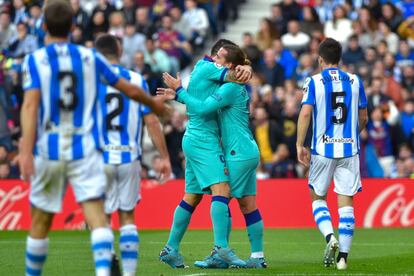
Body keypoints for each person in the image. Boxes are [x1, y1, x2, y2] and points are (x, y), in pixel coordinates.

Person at [16, 1, 166, 275]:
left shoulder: (34, 60)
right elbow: (128, 89)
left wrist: (25, 152)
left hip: (50, 148)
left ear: (44, 26)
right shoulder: (90, 58)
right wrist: (154, 104)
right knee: (98, 218)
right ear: (74, 27)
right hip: (85, 149)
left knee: (40, 223)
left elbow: (29, 105)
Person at [159, 43, 267, 269]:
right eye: (215, 55)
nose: (213, 58)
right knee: (235, 201)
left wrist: (180, 94)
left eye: (219, 57)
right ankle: (251, 255)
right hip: (216, 144)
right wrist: (180, 94)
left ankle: (216, 251)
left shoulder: (227, 84)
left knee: (216, 195)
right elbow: (203, 104)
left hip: (215, 144)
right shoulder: (214, 71)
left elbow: (202, 106)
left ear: (230, 64)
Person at [94, 34, 172, 276]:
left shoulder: (90, 78)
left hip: (100, 158)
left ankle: (106, 268)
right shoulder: (136, 79)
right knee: (127, 216)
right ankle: (128, 274)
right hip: (128, 156)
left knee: (101, 218)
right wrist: (164, 157)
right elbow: (152, 122)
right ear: (120, 50)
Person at [296, 38, 368, 270]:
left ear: (320, 59)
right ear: (339, 58)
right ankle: (344, 258)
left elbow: (306, 113)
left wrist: (300, 144)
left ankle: (330, 237)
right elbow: (364, 118)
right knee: (346, 200)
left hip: (323, 150)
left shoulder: (314, 81)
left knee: (317, 196)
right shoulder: (356, 81)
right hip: (350, 150)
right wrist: (351, 136)